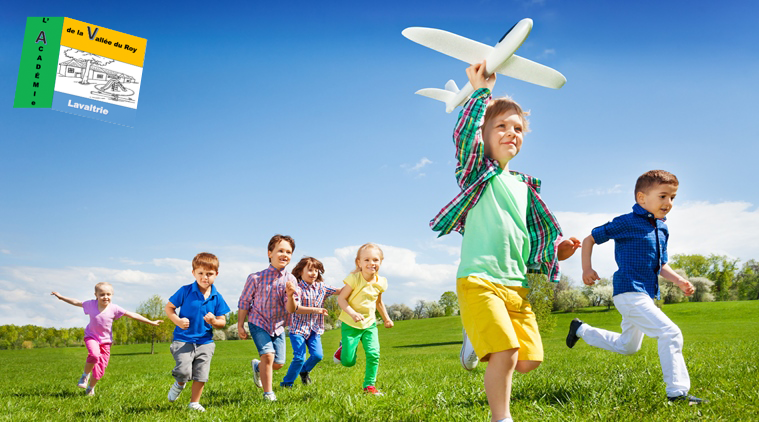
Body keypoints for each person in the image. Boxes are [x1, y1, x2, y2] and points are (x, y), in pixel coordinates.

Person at [428, 62, 580, 422]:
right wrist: (481, 93)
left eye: (518, 128)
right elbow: (464, 137)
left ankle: (473, 335)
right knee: (507, 353)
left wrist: (558, 251)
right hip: (479, 279)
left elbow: (526, 241)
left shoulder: (525, 188)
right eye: (501, 126)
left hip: (517, 286)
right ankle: (502, 418)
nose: (511, 132)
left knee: (528, 360)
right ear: (484, 135)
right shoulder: (478, 175)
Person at [566, 170, 706, 405]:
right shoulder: (626, 222)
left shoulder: (662, 228)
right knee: (670, 333)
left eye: (672, 197)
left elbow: (660, 264)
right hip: (628, 292)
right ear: (642, 198)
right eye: (663, 196)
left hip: (645, 295)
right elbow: (590, 238)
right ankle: (677, 394)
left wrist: (679, 280)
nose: (668, 203)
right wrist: (586, 269)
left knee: (628, 346)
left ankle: (580, 329)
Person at [51, 283, 163, 396]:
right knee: (94, 354)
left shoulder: (114, 308)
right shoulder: (91, 304)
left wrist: (151, 322)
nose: (105, 297)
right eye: (102, 294)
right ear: (96, 295)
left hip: (106, 342)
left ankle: (90, 388)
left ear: (112, 295)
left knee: (100, 370)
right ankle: (85, 376)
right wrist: (61, 297)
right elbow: (76, 302)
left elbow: (132, 315)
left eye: (108, 294)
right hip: (91, 337)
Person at [165, 252, 230, 412]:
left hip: (205, 342)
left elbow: (223, 321)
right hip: (183, 340)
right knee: (183, 370)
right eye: (200, 273)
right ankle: (180, 382)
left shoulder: (217, 297)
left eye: (209, 274)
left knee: (201, 375)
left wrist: (214, 321)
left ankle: (194, 403)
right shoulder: (185, 291)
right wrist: (178, 321)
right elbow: (169, 308)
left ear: (216, 274)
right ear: (193, 273)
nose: (204, 277)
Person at [237, 234, 299, 402]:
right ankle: (268, 393)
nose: (284, 254)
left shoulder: (291, 280)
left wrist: (291, 295)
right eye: (280, 250)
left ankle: (257, 367)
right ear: (269, 253)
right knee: (268, 356)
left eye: (288, 251)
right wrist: (240, 325)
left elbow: (291, 309)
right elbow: (244, 302)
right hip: (258, 322)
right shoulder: (255, 278)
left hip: (278, 325)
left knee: (278, 364)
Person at [332, 243, 393, 396]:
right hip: (350, 324)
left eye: (375, 260)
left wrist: (386, 319)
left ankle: (369, 386)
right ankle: (342, 350)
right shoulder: (354, 279)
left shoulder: (381, 282)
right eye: (366, 260)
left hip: (369, 324)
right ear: (359, 262)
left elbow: (378, 302)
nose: (371, 263)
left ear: (381, 262)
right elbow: (341, 299)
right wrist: (352, 313)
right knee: (348, 362)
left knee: (374, 353)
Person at [280, 257, 342, 387]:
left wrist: (357, 281)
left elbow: (341, 291)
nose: (314, 273)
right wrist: (316, 310)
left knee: (318, 355)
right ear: (300, 272)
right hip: (298, 329)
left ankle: (304, 371)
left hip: (314, 329)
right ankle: (287, 383)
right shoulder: (297, 288)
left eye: (316, 270)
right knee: (299, 358)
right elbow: (295, 308)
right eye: (309, 270)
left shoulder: (322, 287)